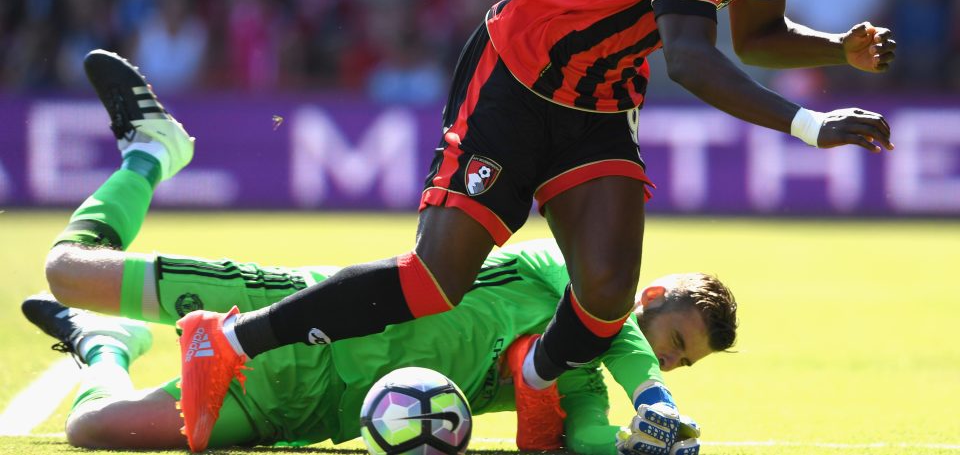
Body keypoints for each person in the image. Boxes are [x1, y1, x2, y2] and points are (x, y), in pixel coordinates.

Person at [95, 0, 897, 454]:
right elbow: (689, 58)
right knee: (433, 280)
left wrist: (836, 49)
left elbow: (756, 37)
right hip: (518, 76)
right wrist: (809, 124)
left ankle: (540, 385)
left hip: (598, 100)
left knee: (610, 287)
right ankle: (230, 340)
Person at [33, 54, 737, 455]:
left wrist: (630, 446)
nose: (672, 359)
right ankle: (155, 151)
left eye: (683, 361)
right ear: (651, 294)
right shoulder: (565, 274)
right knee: (66, 269)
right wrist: (653, 395)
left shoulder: (572, 375)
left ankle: (102, 346)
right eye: (677, 340)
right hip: (281, 308)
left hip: (308, 407)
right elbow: (616, 331)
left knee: (92, 430)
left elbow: (583, 434)